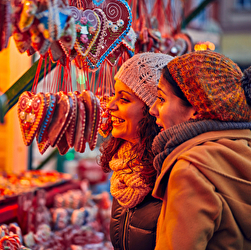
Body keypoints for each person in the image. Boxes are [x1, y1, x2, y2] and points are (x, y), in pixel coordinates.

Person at [149, 50, 251, 249]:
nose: (152, 109)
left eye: (161, 99)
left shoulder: (191, 170)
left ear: (196, 108)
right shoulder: (244, 149)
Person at [99, 52, 173, 250]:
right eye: (113, 96)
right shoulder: (124, 169)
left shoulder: (171, 173)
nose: (110, 106)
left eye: (124, 100)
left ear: (153, 110)